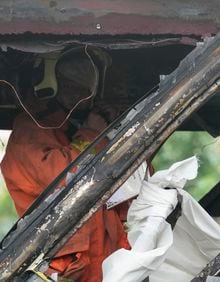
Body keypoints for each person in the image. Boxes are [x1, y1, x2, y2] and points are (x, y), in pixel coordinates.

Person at [1, 46, 130, 281]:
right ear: (49, 81)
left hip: (109, 263)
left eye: (86, 83)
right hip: (67, 267)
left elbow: (136, 187)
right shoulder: (31, 130)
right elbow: (65, 180)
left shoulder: (78, 128)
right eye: (71, 82)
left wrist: (117, 135)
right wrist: (92, 134)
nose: (81, 92)